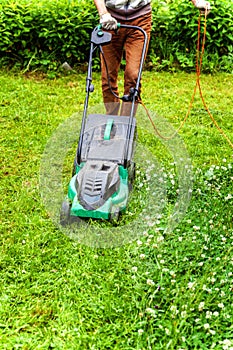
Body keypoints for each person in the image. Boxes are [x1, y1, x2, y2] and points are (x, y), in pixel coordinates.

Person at [93, 0, 211, 116]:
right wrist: (103, 14)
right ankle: (110, 118)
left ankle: (127, 123)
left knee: (133, 75)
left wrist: (197, 1)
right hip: (110, 19)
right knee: (108, 76)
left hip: (140, 19)